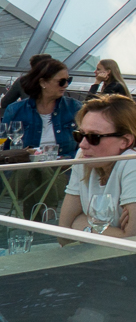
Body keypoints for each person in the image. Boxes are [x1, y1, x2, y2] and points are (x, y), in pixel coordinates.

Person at [59, 95, 136, 237]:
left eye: (94, 137)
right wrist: (110, 233)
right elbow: (63, 233)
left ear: (125, 141)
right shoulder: (85, 156)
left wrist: (82, 226)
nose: (82, 144)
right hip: (112, 254)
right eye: (80, 135)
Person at [3, 58, 81, 218]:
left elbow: (84, 143)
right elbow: (3, 145)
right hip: (23, 168)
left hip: (62, 168)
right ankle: (48, 216)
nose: (66, 85)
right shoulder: (16, 110)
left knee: (37, 176)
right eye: (61, 81)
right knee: (36, 172)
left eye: (69, 80)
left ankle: (32, 223)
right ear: (43, 83)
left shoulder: (74, 108)